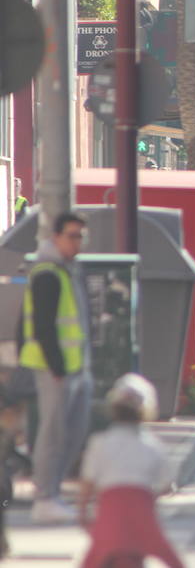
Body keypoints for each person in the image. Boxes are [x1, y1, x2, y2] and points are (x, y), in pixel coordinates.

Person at [21, 212, 92, 524]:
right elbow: (43, 326)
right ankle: (45, 496)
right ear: (56, 238)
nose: (78, 242)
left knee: (72, 432)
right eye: (73, 236)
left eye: (81, 236)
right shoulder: (48, 272)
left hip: (75, 367)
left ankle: (53, 492)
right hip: (55, 369)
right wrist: (58, 367)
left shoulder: (68, 270)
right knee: (53, 433)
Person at [76, 374, 183, 568]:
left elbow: (87, 484)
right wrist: (151, 496)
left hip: (109, 509)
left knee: (92, 559)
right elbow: (167, 484)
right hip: (142, 508)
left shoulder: (99, 443)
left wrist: (83, 513)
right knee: (170, 558)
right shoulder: (152, 445)